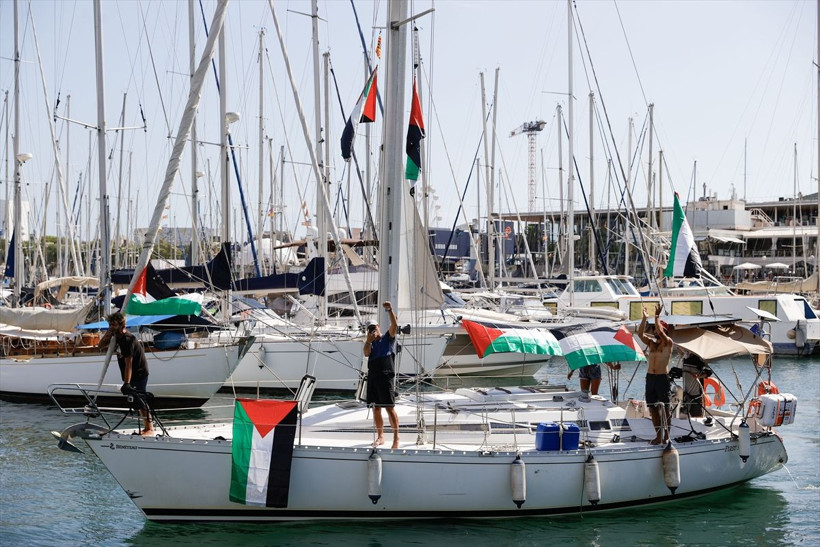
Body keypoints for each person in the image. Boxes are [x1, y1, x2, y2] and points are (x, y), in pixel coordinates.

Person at [99, 311, 153, 436]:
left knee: (141, 399)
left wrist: (126, 383)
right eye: (110, 325)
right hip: (129, 374)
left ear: (121, 326)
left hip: (139, 372)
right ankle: (146, 427)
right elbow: (100, 345)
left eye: (113, 325)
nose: (111, 327)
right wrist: (108, 333)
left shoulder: (127, 340)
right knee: (137, 401)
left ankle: (149, 428)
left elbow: (129, 363)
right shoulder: (115, 338)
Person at [364, 301, 400, 449]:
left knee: (389, 407)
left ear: (379, 328)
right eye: (370, 329)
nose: (373, 331)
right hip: (373, 377)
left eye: (375, 328)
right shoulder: (370, 344)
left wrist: (389, 310)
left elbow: (394, 326)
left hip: (386, 376)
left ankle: (396, 438)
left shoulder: (387, 338)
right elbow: (366, 353)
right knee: (376, 408)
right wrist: (368, 341)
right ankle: (380, 436)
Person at [637, 303, 673, 445]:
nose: (657, 332)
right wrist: (645, 318)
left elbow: (660, 331)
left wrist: (657, 317)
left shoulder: (668, 343)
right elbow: (640, 334)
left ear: (664, 331)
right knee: (652, 408)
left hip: (662, 378)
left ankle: (667, 436)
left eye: (660, 330)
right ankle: (658, 436)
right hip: (650, 378)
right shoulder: (651, 344)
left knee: (665, 409)